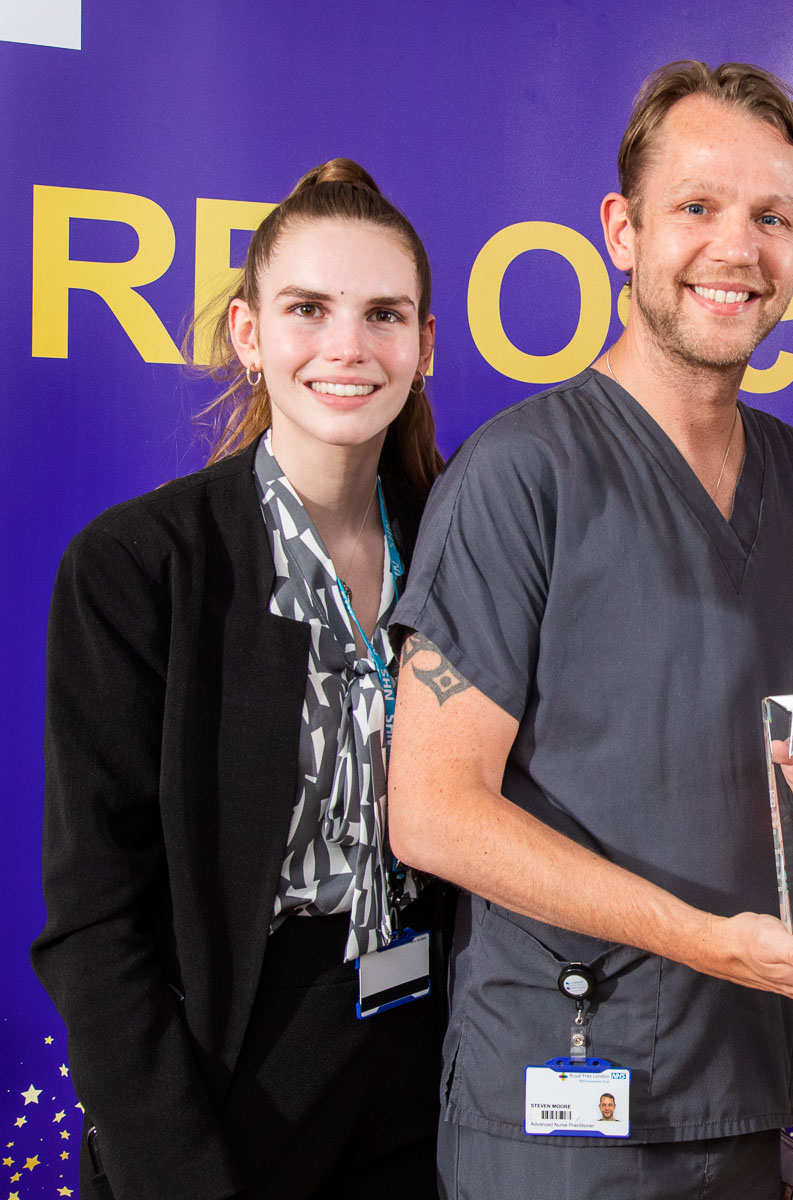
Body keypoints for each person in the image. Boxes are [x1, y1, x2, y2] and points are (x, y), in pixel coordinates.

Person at [384, 61, 793, 1198]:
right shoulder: (522, 475)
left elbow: (769, 724)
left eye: (771, 218)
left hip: (748, 1086)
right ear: (622, 230)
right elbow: (431, 811)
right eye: (697, 209)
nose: (737, 250)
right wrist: (705, 939)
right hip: (563, 1100)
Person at [33, 158, 448, 1199]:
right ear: (250, 335)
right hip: (225, 1088)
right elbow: (95, 922)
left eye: (384, 315)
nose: (348, 348)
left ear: (424, 346)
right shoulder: (137, 567)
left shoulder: (463, 547)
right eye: (309, 309)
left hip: (429, 1075)